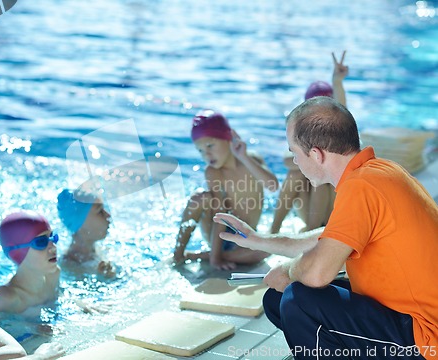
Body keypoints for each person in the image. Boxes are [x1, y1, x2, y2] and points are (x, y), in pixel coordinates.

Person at [214, 96, 438, 359]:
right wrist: (259, 239)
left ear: (316, 154)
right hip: (408, 318)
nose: (295, 162)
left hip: (424, 339)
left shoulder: (361, 187)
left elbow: (317, 273)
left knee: (299, 300)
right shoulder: (380, 172)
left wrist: (288, 270)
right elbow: (324, 238)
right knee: (278, 300)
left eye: (294, 153)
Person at [173, 110, 279, 270]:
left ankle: (200, 256)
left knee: (264, 252)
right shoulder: (214, 172)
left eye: (210, 145)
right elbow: (219, 212)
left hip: (244, 237)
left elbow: (272, 186)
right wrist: (216, 258)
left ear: (228, 137)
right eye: (200, 150)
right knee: (200, 198)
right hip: (218, 235)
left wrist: (243, 157)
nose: (206, 154)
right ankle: (178, 254)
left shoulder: (252, 160)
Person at [271, 51, 348, 234]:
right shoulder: (301, 135)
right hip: (310, 210)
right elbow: (287, 160)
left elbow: (343, 110)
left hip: (333, 212)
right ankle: (273, 231)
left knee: (322, 175)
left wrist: (337, 82)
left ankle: (312, 233)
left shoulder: (340, 135)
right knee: (296, 175)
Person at [0, 211, 60, 315]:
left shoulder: (53, 276)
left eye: (52, 237)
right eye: (41, 242)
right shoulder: (7, 298)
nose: (53, 248)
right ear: (18, 252)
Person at [57, 188, 115, 277]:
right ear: (81, 223)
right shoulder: (69, 267)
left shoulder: (103, 251)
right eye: (100, 211)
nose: (108, 215)